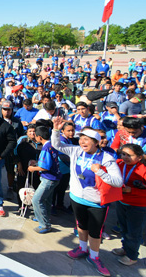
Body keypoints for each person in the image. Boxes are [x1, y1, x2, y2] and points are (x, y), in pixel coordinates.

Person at [51, 117, 123, 277]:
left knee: (95, 232)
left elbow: (118, 182)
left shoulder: (106, 158)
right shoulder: (76, 151)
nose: (82, 142)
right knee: (81, 226)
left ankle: (94, 256)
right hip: (77, 198)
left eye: (87, 140)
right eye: (81, 139)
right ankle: (83, 248)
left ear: (96, 142)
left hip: (96, 202)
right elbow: (57, 145)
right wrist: (55, 130)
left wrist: (100, 172)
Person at [112, 144, 146, 266]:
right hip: (121, 201)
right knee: (124, 228)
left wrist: (132, 190)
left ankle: (132, 256)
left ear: (139, 157)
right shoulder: (120, 164)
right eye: (123, 154)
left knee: (134, 232)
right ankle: (125, 248)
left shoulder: (143, 169)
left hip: (137, 205)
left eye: (129, 155)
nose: (125, 157)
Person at [28, 126, 62, 234]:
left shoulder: (46, 148)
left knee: (36, 200)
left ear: (39, 137)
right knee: (46, 200)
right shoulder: (52, 145)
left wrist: (33, 168)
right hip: (53, 177)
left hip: (49, 179)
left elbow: (45, 167)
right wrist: (38, 164)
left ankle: (45, 224)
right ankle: (42, 217)